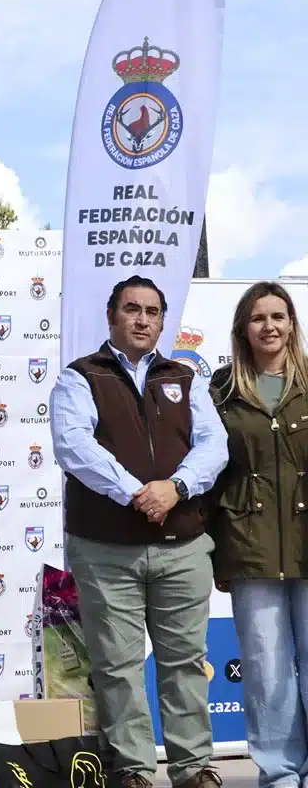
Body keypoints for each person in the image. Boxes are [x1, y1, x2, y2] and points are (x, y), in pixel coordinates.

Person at [50, 274, 228, 788]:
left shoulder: (184, 377)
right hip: (106, 550)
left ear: (162, 321)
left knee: (186, 664)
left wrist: (175, 487)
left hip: (183, 547)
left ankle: (193, 767)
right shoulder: (80, 377)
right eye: (132, 309)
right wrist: (135, 491)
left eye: (152, 311)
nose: (143, 319)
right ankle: (132, 769)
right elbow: (73, 445)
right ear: (112, 317)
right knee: (117, 666)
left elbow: (213, 446)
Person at [207, 281, 308, 788]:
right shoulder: (221, 390)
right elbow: (208, 471)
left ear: (292, 324)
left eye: (279, 316)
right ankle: (282, 775)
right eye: (258, 317)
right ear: (243, 329)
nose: (269, 326)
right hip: (249, 546)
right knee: (267, 671)